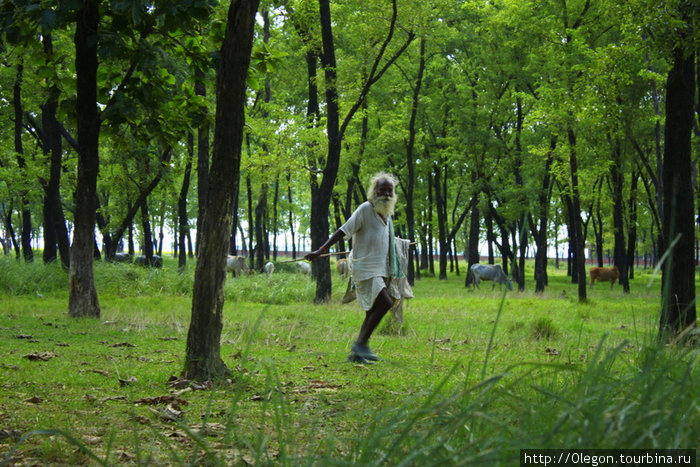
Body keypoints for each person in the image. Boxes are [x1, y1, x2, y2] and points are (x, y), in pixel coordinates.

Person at [305, 172, 404, 363]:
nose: (385, 193)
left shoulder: (387, 215)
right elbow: (343, 230)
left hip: (380, 269)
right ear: (374, 191)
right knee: (385, 302)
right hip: (364, 268)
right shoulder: (366, 209)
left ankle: (357, 354)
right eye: (381, 189)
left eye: (389, 190)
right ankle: (360, 344)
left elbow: (386, 240)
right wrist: (321, 249)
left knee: (372, 310)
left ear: (393, 193)